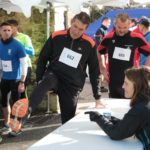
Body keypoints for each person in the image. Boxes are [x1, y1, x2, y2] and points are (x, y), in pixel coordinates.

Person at [11, 11, 105, 132]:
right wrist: (40, 79)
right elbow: (43, 58)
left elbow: (94, 71)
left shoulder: (90, 44)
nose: (76, 31)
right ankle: (22, 116)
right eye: (75, 26)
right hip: (54, 75)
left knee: (67, 122)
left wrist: (97, 96)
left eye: (81, 29)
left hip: (72, 85)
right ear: (71, 23)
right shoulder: (56, 36)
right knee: (46, 81)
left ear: (85, 30)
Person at [85, 66, 150, 150]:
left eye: (126, 83)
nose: (123, 86)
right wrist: (113, 120)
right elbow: (131, 124)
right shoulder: (145, 103)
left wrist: (98, 118)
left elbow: (116, 134)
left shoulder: (140, 109)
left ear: (137, 86)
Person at [97, 12, 150, 98]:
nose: (122, 30)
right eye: (119, 27)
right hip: (113, 81)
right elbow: (99, 51)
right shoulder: (108, 38)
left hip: (132, 81)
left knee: (131, 108)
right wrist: (102, 68)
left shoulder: (136, 37)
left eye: (125, 27)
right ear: (115, 24)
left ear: (129, 24)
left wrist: (145, 69)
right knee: (114, 107)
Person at [0, 22, 27, 134]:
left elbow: (24, 63)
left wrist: (22, 81)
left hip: (16, 79)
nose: (6, 32)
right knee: (4, 102)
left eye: (8, 30)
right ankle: (7, 124)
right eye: (4, 30)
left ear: (11, 31)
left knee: (16, 104)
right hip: (4, 78)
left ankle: (16, 127)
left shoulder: (17, 44)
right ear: (0, 31)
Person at [6, 19, 35, 99]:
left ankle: (24, 111)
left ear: (16, 27)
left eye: (11, 28)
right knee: (13, 92)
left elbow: (32, 52)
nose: (9, 30)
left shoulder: (24, 37)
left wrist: (19, 44)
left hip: (24, 67)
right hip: (11, 68)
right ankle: (15, 111)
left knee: (21, 91)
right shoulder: (7, 39)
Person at [94, 16, 111, 93]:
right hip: (100, 53)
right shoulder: (100, 30)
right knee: (101, 69)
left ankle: (100, 86)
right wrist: (104, 54)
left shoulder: (104, 30)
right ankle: (98, 86)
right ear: (105, 21)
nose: (109, 24)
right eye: (109, 22)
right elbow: (99, 44)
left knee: (103, 69)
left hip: (103, 53)